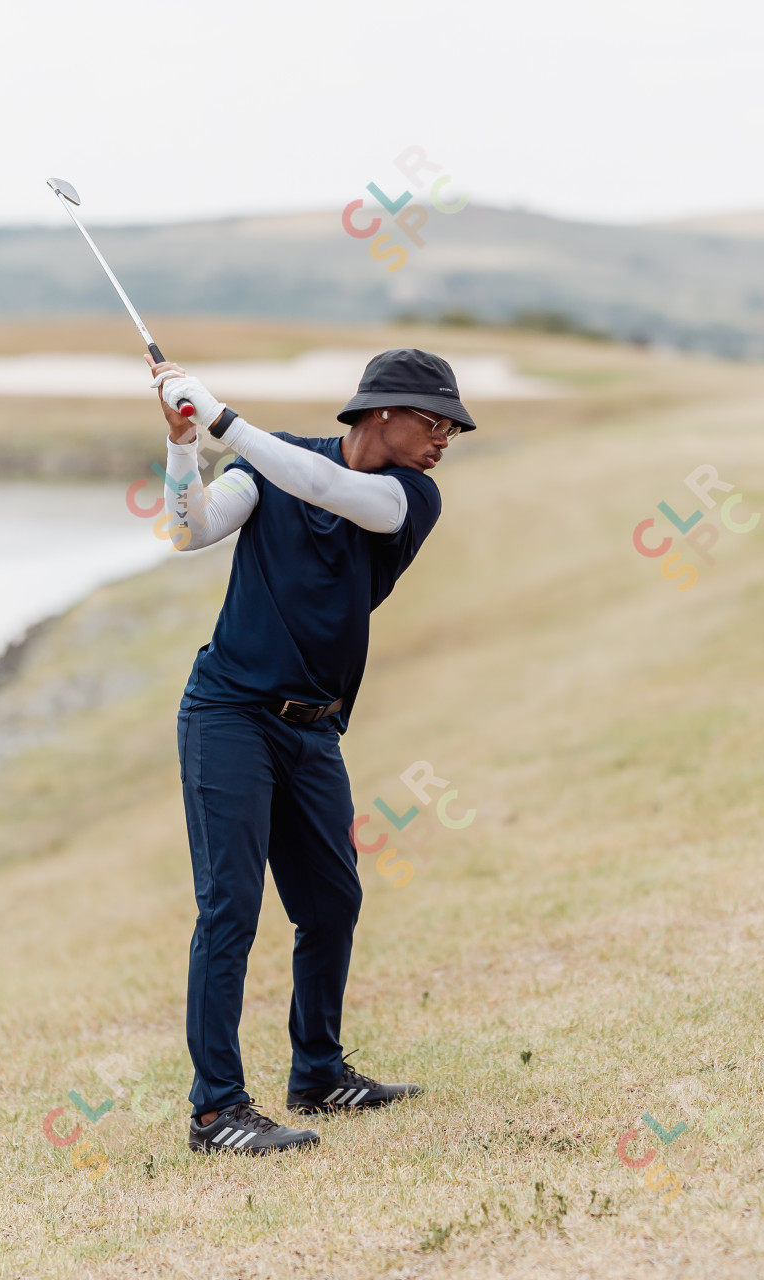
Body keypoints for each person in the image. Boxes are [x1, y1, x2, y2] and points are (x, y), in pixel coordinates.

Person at [148, 348, 475, 1155]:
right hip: (228, 713)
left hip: (314, 726)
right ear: (381, 413)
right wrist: (186, 445)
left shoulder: (408, 499)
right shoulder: (267, 472)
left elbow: (328, 488)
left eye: (453, 429)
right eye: (434, 423)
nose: (444, 440)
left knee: (332, 902)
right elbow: (187, 532)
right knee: (232, 907)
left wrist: (225, 419)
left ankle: (318, 1074)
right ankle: (216, 1111)